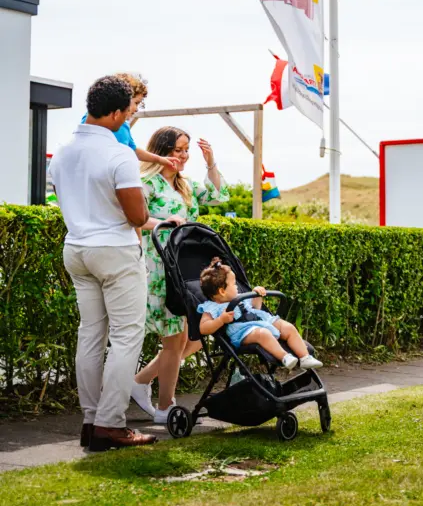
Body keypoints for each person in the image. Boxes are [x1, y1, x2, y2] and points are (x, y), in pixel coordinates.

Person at [49, 75, 156, 451]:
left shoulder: (62, 150)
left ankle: (91, 420)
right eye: (127, 113)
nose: (129, 119)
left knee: (91, 334)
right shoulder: (118, 153)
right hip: (114, 251)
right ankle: (111, 424)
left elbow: (64, 198)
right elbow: (138, 217)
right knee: (127, 336)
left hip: (76, 248)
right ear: (113, 113)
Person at [130, 126, 230, 424]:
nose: (183, 156)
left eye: (186, 150)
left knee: (200, 332)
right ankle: (165, 409)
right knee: (175, 339)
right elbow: (133, 218)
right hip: (159, 269)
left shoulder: (184, 185)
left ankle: (140, 382)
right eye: (177, 150)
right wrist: (164, 222)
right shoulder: (146, 183)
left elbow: (218, 195)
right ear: (161, 152)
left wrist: (210, 161)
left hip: (186, 269)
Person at [197, 257, 323, 370]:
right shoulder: (212, 307)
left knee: (288, 327)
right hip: (243, 331)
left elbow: (256, 307)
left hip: (261, 320)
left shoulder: (241, 297)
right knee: (263, 334)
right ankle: (285, 357)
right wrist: (221, 320)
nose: (237, 287)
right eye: (234, 284)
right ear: (222, 291)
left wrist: (257, 294)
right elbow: (203, 328)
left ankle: (305, 357)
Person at [78, 73, 177, 171]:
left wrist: (159, 159)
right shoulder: (94, 118)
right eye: (136, 103)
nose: (136, 109)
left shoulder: (123, 126)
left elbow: (133, 150)